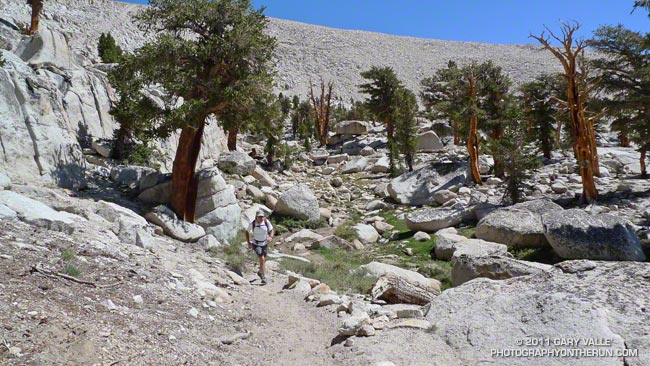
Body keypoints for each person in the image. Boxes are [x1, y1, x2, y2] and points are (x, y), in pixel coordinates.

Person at [246, 210, 274, 284]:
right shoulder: (252, 224)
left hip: (264, 243)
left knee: (263, 260)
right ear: (256, 217)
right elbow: (247, 232)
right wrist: (249, 242)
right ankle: (263, 277)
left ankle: (260, 272)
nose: (261, 218)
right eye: (259, 217)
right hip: (256, 244)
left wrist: (271, 237)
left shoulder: (266, 222)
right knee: (262, 259)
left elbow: (271, 230)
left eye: (262, 216)